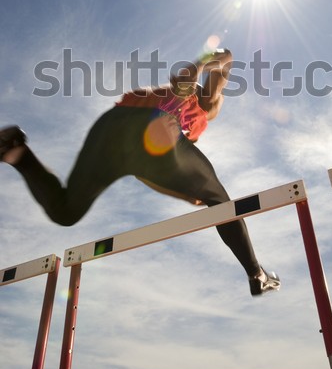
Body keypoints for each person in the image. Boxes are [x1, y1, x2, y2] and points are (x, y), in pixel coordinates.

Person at [0, 48, 280, 296]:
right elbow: (225, 57)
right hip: (146, 125)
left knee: (65, 212)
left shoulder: (185, 134)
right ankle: (256, 273)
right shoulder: (201, 100)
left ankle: (18, 153)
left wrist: (184, 195)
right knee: (219, 199)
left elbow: (144, 171)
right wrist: (199, 66)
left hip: (112, 133)